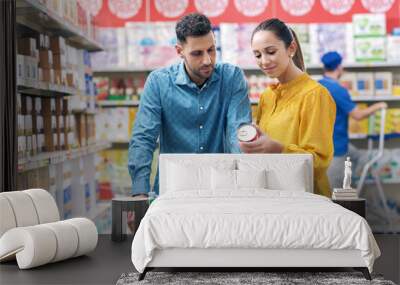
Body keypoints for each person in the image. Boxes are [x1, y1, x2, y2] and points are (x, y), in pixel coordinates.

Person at [128, 13, 252, 196]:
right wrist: (140, 192)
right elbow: (144, 138)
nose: (207, 60)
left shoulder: (232, 78)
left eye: (211, 49)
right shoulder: (159, 83)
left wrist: (244, 185)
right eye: (197, 53)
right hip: (172, 190)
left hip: (221, 190)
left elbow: (238, 131)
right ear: (179, 51)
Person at [239, 18, 336, 197]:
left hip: (308, 199)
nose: (264, 61)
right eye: (258, 55)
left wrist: (278, 148)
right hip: (274, 196)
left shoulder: (314, 95)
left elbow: (319, 163)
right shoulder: (267, 97)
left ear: (291, 48)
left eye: (271, 52)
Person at [318, 51, 387, 189]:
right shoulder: (338, 90)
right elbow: (358, 115)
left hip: (322, 145)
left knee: (358, 155)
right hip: (336, 150)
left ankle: (354, 183)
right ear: (339, 68)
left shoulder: (317, 85)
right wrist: (378, 106)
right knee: (334, 194)